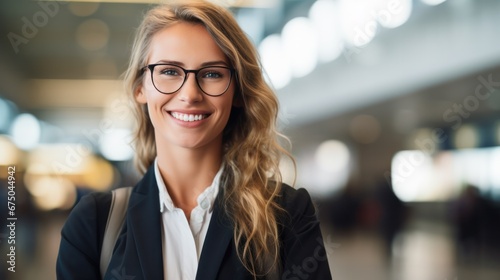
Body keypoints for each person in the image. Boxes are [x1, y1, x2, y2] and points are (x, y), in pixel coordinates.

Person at [56, 1, 332, 279]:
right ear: (141, 87)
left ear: (237, 91)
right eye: (169, 71)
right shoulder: (95, 222)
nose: (190, 94)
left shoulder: (286, 214)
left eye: (212, 74)